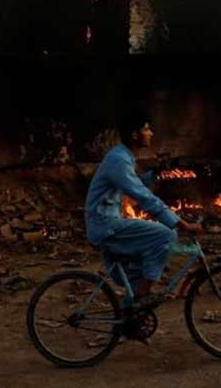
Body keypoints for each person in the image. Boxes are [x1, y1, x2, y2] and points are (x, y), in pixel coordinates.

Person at [85, 109, 202, 306]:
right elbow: (143, 196)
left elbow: (134, 184)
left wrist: (156, 171)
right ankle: (142, 297)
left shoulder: (122, 157)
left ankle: (131, 317)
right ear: (134, 134)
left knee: (142, 265)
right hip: (106, 225)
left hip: (109, 222)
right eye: (147, 129)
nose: (151, 133)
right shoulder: (119, 160)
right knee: (165, 235)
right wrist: (180, 223)